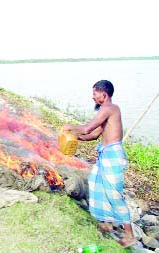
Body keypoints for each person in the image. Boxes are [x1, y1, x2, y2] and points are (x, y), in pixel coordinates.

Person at [63, 80, 136, 248]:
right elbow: (93, 135)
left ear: (104, 94)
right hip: (104, 156)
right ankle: (106, 224)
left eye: (95, 93)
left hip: (113, 157)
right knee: (97, 186)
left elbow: (88, 128)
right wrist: (75, 137)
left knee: (115, 195)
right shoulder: (106, 111)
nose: (92, 97)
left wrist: (70, 127)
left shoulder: (110, 108)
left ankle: (130, 235)